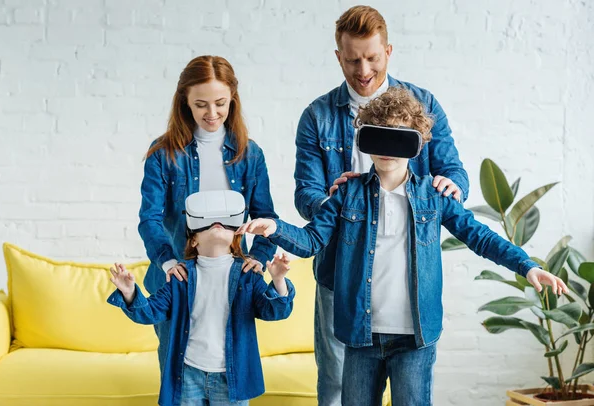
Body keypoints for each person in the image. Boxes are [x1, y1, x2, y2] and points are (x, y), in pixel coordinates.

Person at [239, 87, 568, 406]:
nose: (387, 147)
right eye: (378, 135)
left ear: (417, 143)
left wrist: (528, 266)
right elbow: (312, 240)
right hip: (361, 334)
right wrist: (274, 228)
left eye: (397, 136)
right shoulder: (347, 193)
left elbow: (478, 235)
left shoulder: (433, 195)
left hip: (415, 339)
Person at [293, 6, 469, 404]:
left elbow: (455, 172)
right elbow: (305, 193)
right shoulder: (317, 117)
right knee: (337, 381)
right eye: (353, 59)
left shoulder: (422, 104)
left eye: (372, 57)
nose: (363, 69)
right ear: (338, 56)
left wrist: (452, 186)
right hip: (341, 269)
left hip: (404, 273)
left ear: (388, 51)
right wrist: (336, 205)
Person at [138, 56, 278, 372]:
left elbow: (266, 215)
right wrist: (168, 260)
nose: (212, 114)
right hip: (177, 281)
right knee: (178, 381)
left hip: (231, 284)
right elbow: (150, 217)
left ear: (233, 101)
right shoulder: (163, 154)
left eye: (220, 103)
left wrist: (261, 258)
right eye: (201, 104)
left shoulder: (250, 154)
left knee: (228, 381)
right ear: (185, 102)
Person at [110, 191, 295, 406]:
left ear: (236, 238)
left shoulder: (248, 274)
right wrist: (129, 291)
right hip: (188, 373)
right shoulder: (180, 276)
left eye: (226, 224)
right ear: (194, 241)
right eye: (206, 224)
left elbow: (275, 312)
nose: (217, 224)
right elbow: (150, 312)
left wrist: (278, 279)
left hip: (231, 376)